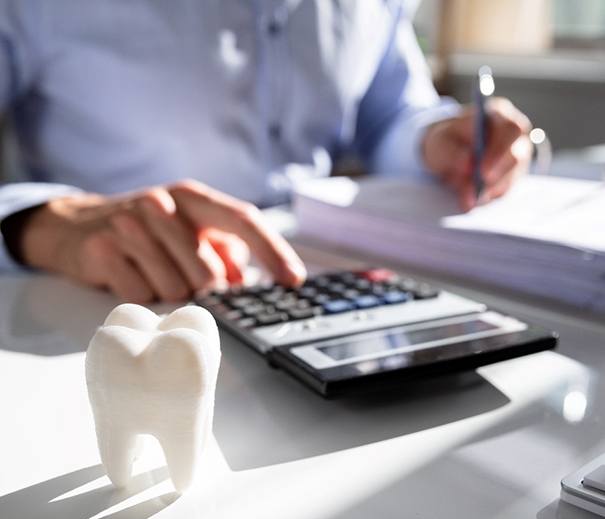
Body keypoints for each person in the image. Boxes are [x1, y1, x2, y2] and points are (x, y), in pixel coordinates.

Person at [0, 1, 532, 302]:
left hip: (326, 283)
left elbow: (388, 117)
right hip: (107, 299)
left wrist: (436, 141)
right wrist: (43, 224)